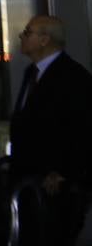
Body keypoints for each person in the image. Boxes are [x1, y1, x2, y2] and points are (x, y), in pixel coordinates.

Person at [9, 15, 92, 197]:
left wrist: (65, 171)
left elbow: (81, 128)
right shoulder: (31, 72)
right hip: (28, 174)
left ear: (44, 40)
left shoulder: (72, 76)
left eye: (28, 33)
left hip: (56, 182)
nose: (21, 37)